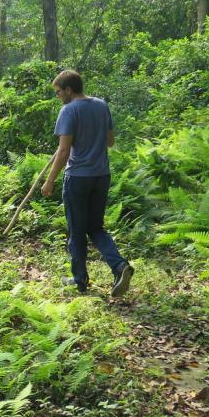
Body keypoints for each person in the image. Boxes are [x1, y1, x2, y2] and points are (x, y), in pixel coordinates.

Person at [41, 70, 134, 297]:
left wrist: (49, 181)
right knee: (96, 228)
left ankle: (80, 280)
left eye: (58, 92)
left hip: (78, 178)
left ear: (69, 90)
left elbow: (63, 151)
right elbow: (110, 142)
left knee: (77, 230)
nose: (58, 96)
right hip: (101, 176)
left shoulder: (69, 110)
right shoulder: (101, 105)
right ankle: (120, 266)